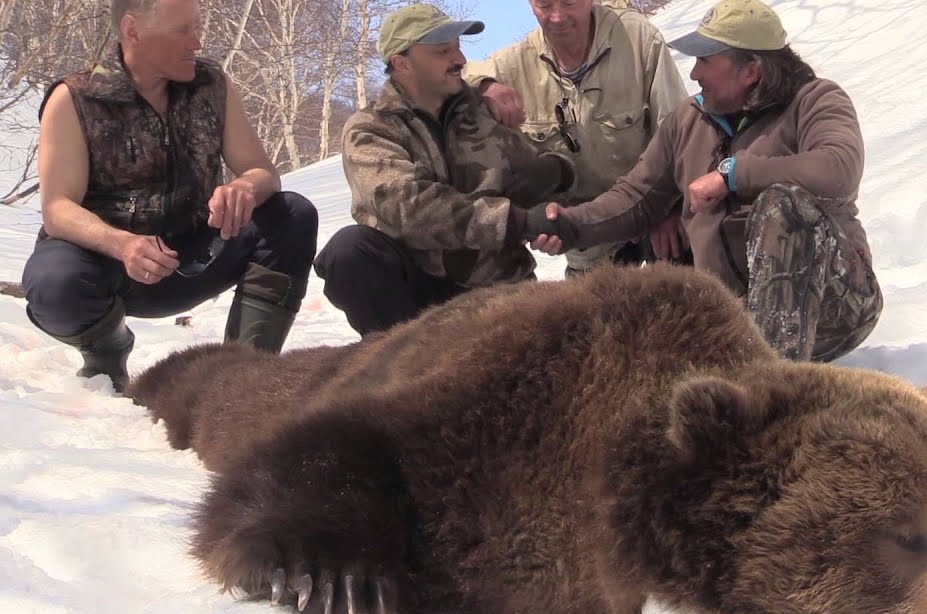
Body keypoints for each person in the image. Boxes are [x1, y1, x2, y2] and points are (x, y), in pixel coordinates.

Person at [526, 0, 883, 363]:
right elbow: (637, 196)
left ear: (750, 71)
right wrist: (572, 224)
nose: (694, 74)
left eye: (705, 61)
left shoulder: (816, 100)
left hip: (836, 308)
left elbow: (837, 171)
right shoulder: (688, 120)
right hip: (737, 321)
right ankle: (744, 367)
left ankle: (771, 385)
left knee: (781, 206)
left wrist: (733, 175)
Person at [22, 0, 318, 393]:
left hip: (197, 256)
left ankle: (246, 374)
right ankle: (107, 356)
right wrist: (122, 244)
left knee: (292, 214)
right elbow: (58, 209)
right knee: (53, 282)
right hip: (112, 267)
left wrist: (244, 187)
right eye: (184, 30)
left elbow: (262, 172)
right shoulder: (75, 98)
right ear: (133, 30)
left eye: (198, 28)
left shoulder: (212, 84)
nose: (197, 42)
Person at [314, 4, 574, 336]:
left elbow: (544, 172)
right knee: (349, 251)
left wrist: (557, 172)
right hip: (415, 298)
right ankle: (395, 366)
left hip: (496, 287)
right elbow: (411, 208)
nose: (460, 60)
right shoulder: (370, 130)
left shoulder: (484, 114)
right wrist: (515, 221)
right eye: (443, 51)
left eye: (458, 48)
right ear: (401, 63)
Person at [464, 0, 688, 276]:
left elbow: (677, 129)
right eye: (545, 5)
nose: (557, 17)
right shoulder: (512, 64)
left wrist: (671, 208)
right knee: (594, 316)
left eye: (569, 2)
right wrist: (485, 84)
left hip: (654, 211)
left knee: (686, 295)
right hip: (588, 235)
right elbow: (453, 77)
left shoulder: (637, 37)